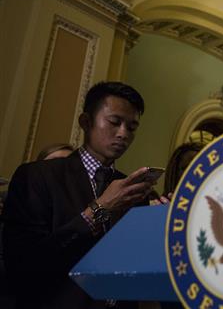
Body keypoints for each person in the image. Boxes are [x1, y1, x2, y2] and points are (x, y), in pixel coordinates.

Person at [2, 81, 159, 309]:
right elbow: (24, 266)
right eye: (114, 122)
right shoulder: (38, 176)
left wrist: (159, 227)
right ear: (86, 122)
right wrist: (99, 209)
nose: (123, 133)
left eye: (132, 127)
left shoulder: (132, 188)